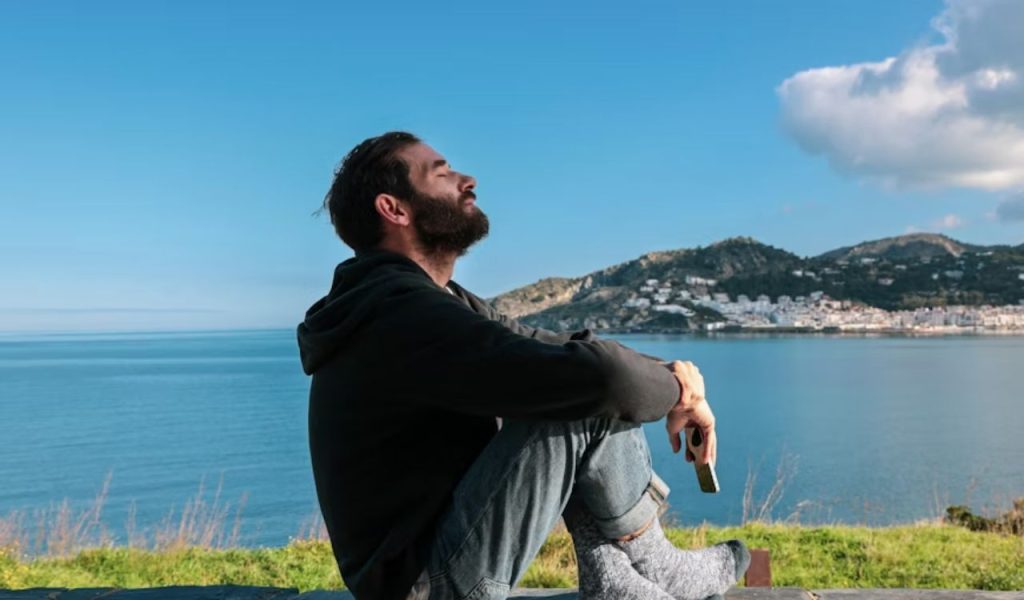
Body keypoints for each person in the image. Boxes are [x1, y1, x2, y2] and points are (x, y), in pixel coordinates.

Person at [297, 131, 750, 600]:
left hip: (436, 567)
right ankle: (653, 564)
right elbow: (601, 378)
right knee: (583, 392)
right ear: (395, 209)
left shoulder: (438, 303)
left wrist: (677, 376)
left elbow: (556, 346)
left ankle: (618, 571)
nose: (467, 180)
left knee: (574, 378)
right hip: (427, 587)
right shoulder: (399, 316)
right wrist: (678, 394)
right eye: (442, 173)